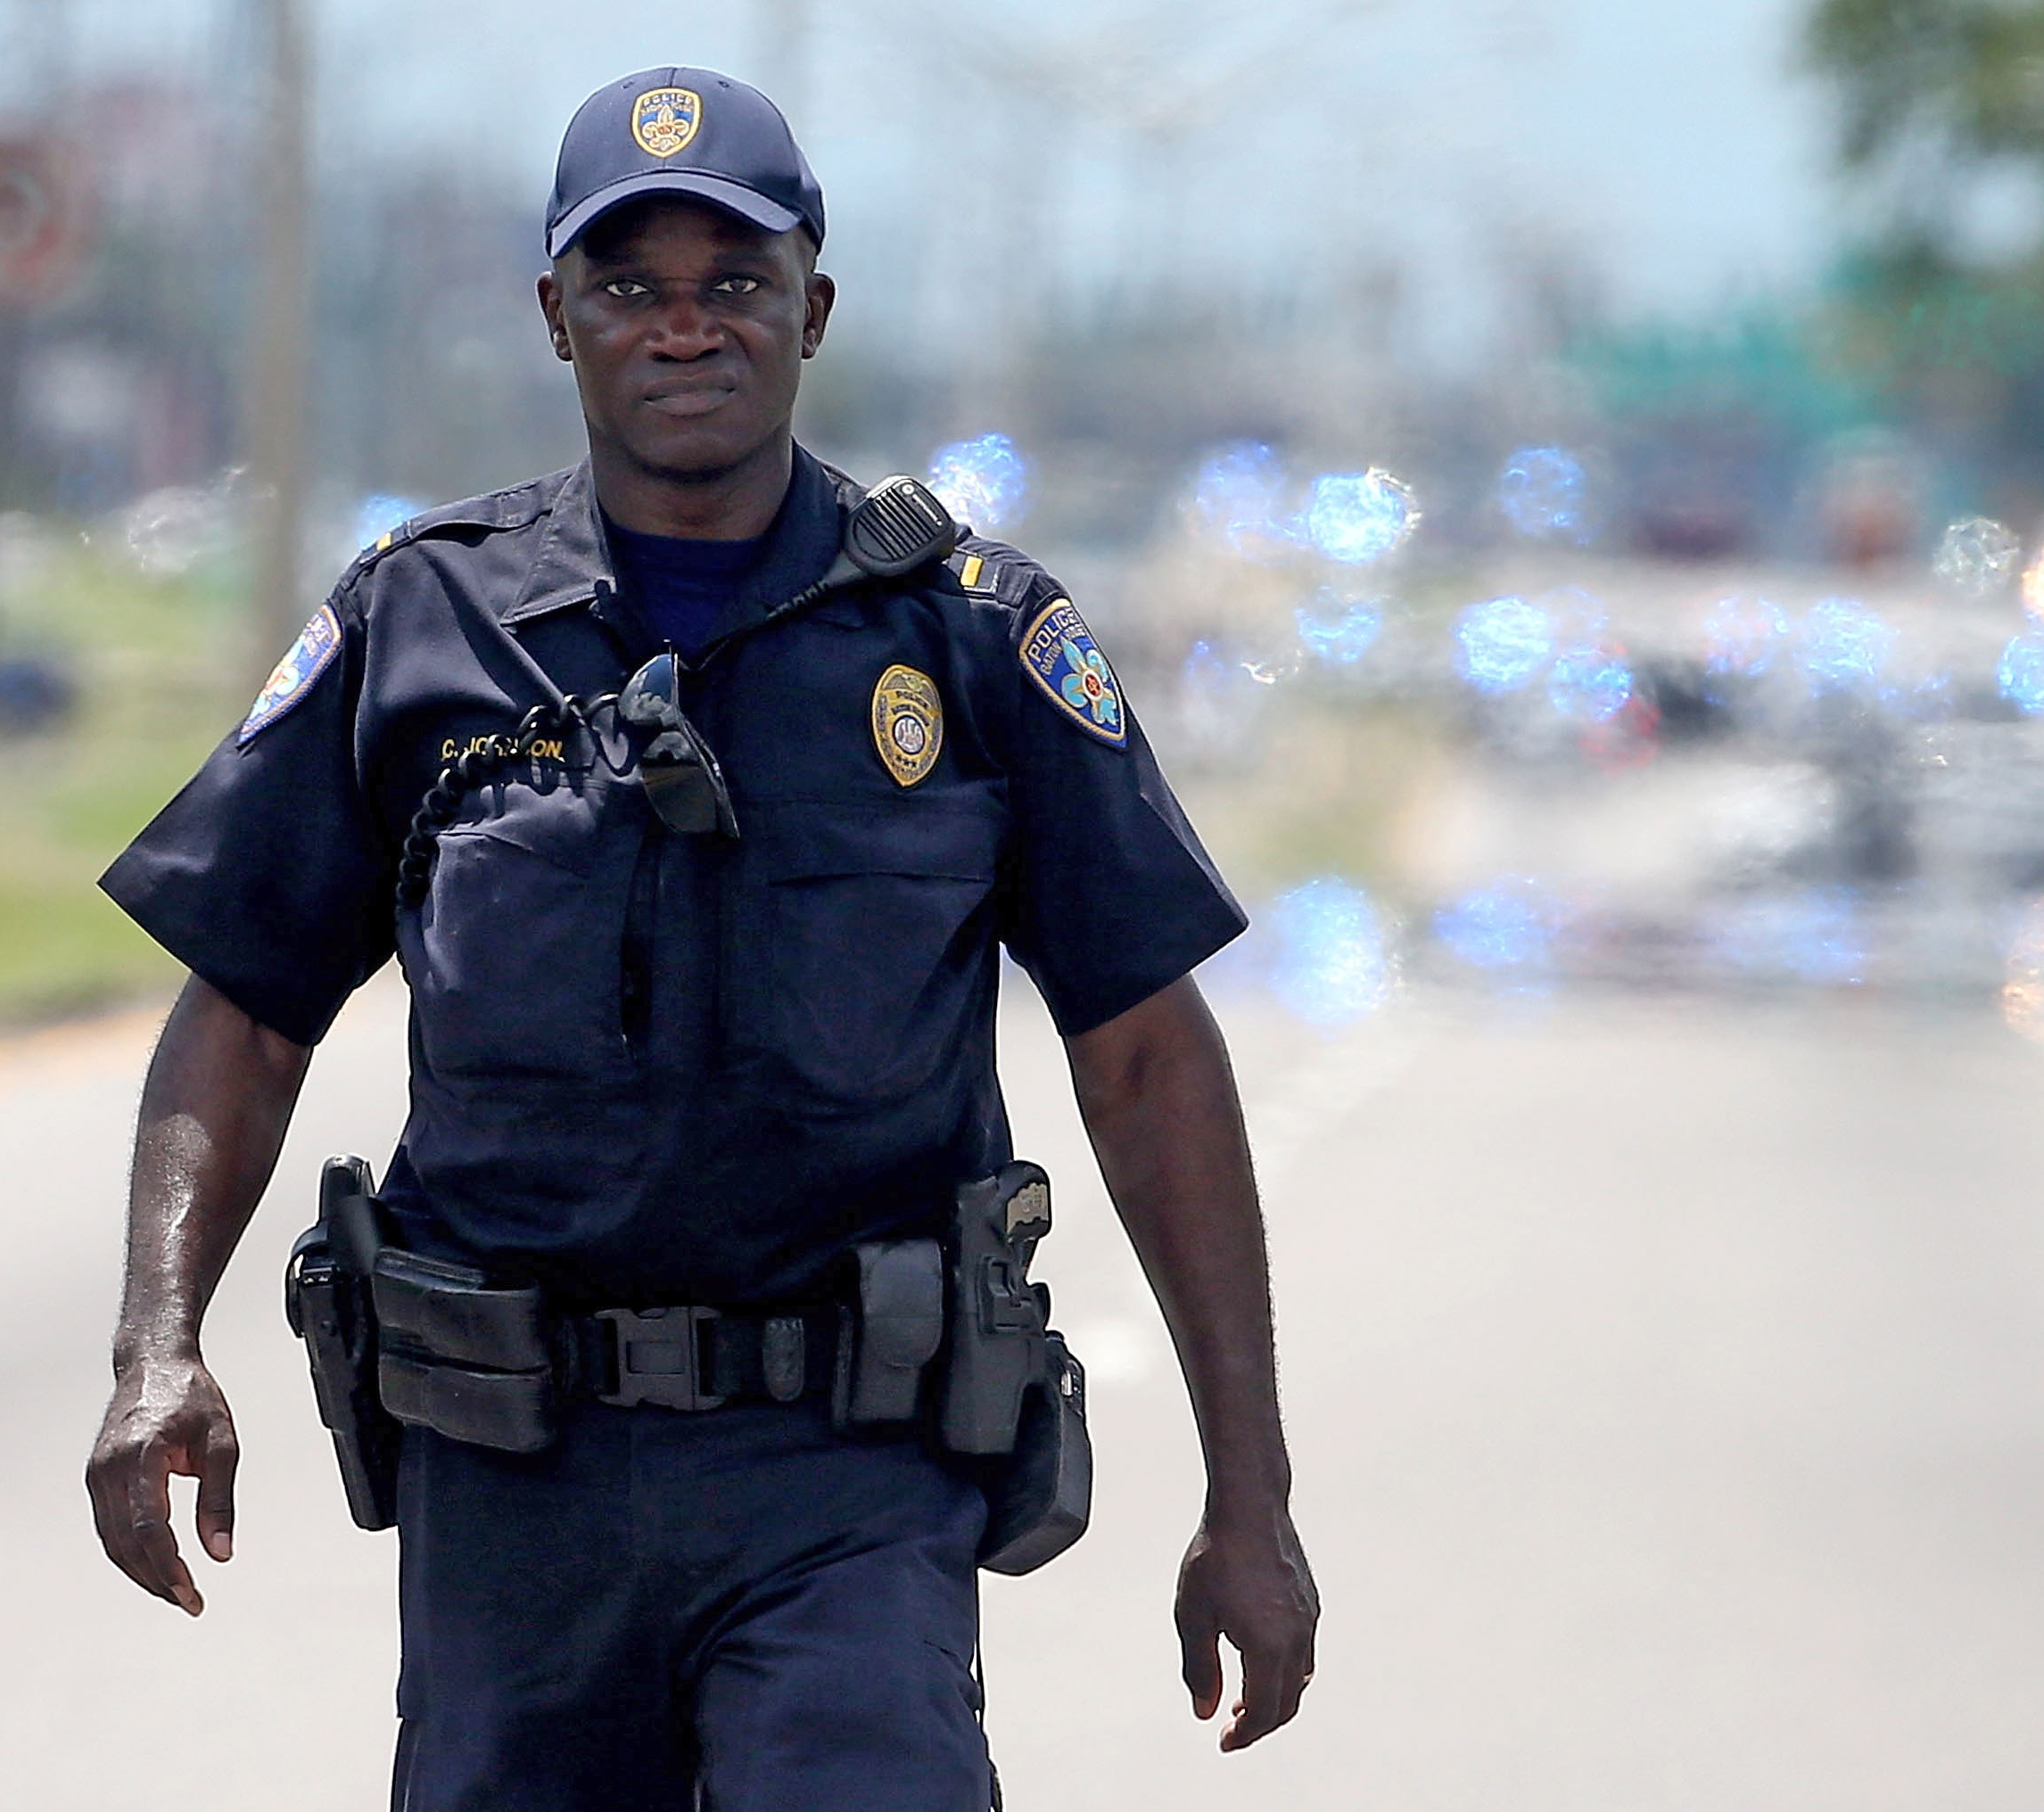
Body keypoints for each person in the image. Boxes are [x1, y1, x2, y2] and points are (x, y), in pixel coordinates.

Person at [81, 66, 1317, 1811]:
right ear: (555, 319)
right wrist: (157, 1341)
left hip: (851, 1468)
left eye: (733, 284)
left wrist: (1247, 1492)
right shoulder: (421, 623)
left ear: (813, 309)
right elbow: (247, 1015)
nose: (685, 329)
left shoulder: (969, 639)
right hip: (515, 1482)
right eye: (630, 288)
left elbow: (1145, 1053)